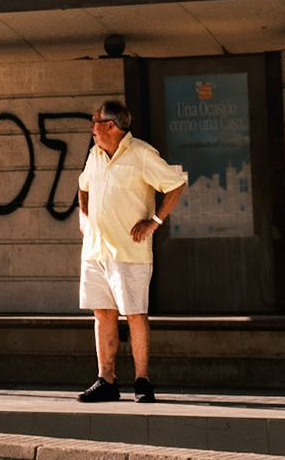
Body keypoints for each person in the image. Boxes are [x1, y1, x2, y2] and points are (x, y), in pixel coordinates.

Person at [75, 99, 186, 404]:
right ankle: (106, 380)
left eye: (95, 121)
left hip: (129, 251)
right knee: (102, 314)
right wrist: (85, 219)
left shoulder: (141, 154)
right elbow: (83, 186)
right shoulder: (95, 155)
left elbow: (176, 184)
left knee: (135, 315)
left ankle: (142, 380)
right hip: (96, 251)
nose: (92, 127)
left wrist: (155, 221)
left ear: (110, 125)